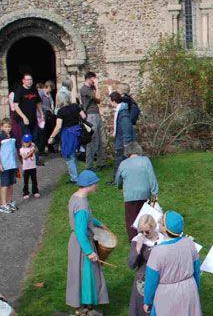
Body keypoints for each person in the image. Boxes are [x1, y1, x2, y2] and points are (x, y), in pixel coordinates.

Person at [66, 169, 110, 311]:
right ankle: (86, 305)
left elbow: (85, 219)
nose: (96, 185)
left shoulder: (75, 197)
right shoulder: (82, 205)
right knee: (86, 275)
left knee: (80, 273)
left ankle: (83, 304)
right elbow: (80, 232)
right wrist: (89, 252)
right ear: (89, 185)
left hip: (76, 242)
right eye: (95, 183)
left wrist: (98, 223)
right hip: (81, 244)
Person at [143, 210, 202, 315]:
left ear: (165, 229)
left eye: (161, 222)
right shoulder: (189, 243)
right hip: (189, 291)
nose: (158, 222)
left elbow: (151, 281)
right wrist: (195, 289)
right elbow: (196, 271)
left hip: (167, 296)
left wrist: (147, 301)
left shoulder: (157, 251)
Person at [115, 141, 159, 240]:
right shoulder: (145, 161)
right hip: (144, 194)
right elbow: (151, 177)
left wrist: (120, 187)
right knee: (144, 215)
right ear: (139, 150)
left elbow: (118, 179)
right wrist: (155, 192)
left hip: (129, 195)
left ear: (127, 152)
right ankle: (146, 234)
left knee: (131, 217)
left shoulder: (123, 164)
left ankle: (133, 239)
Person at [49, 89, 89, 182]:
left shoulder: (61, 111)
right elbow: (83, 116)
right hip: (77, 131)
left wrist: (51, 137)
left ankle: (74, 178)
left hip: (68, 135)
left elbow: (58, 126)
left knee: (69, 155)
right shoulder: (75, 106)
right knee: (74, 154)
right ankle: (75, 174)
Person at [128, 214, 159, 316]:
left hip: (160, 279)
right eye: (141, 231)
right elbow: (131, 264)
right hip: (143, 280)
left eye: (147, 231)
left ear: (153, 227)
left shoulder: (162, 239)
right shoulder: (138, 240)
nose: (144, 234)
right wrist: (138, 248)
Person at [10, 72, 44, 164]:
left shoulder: (34, 90)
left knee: (35, 138)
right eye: (27, 80)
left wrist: (41, 113)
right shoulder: (19, 91)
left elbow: (38, 103)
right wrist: (24, 117)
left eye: (31, 80)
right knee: (26, 139)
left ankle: (36, 159)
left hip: (33, 119)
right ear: (23, 81)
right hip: (23, 120)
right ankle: (26, 158)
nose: (29, 81)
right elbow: (16, 106)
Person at [0, 120, 19, 214]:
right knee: (4, 184)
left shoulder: (13, 137)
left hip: (12, 164)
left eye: (9, 127)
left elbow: (15, 149)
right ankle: (3, 204)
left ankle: (9, 201)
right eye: (6, 127)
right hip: (4, 164)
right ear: (2, 127)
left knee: (11, 184)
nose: (8, 129)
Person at [79, 71, 105, 170]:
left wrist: (95, 88)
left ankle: (100, 162)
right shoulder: (84, 89)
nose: (95, 81)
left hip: (97, 114)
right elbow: (97, 97)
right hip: (90, 116)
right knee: (92, 140)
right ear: (89, 79)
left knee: (102, 140)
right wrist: (97, 87)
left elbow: (99, 100)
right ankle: (89, 165)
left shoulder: (91, 88)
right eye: (94, 79)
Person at [110, 91, 136, 174]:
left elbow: (127, 128)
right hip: (120, 140)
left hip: (123, 142)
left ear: (114, 101)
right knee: (119, 161)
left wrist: (126, 144)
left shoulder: (123, 113)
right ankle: (117, 178)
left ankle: (117, 179)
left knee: (120, 161)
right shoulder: (120, 110)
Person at [19, 134, 39, 199]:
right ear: (23, 142)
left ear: (30, 141)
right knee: (26, 181)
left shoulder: (32, 147)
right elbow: (24, 157)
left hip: (33, 167)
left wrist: (34, 146)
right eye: (25, 142)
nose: (26, 143)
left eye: (28, 142)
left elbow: (37, 151)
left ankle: (35, 191)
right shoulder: (21, 149)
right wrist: (31, 151)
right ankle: (25, 192)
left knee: (34, 180)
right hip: (26, 168)